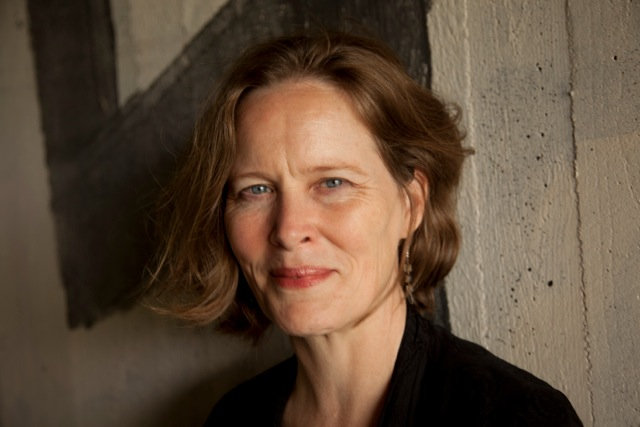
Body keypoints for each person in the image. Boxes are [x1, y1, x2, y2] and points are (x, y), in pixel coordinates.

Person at [148, 31, 582, 426]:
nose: (288, 230)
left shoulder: (512, 417)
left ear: (411, 204)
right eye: (256, 189)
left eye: (332, 183)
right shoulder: (232, 418)